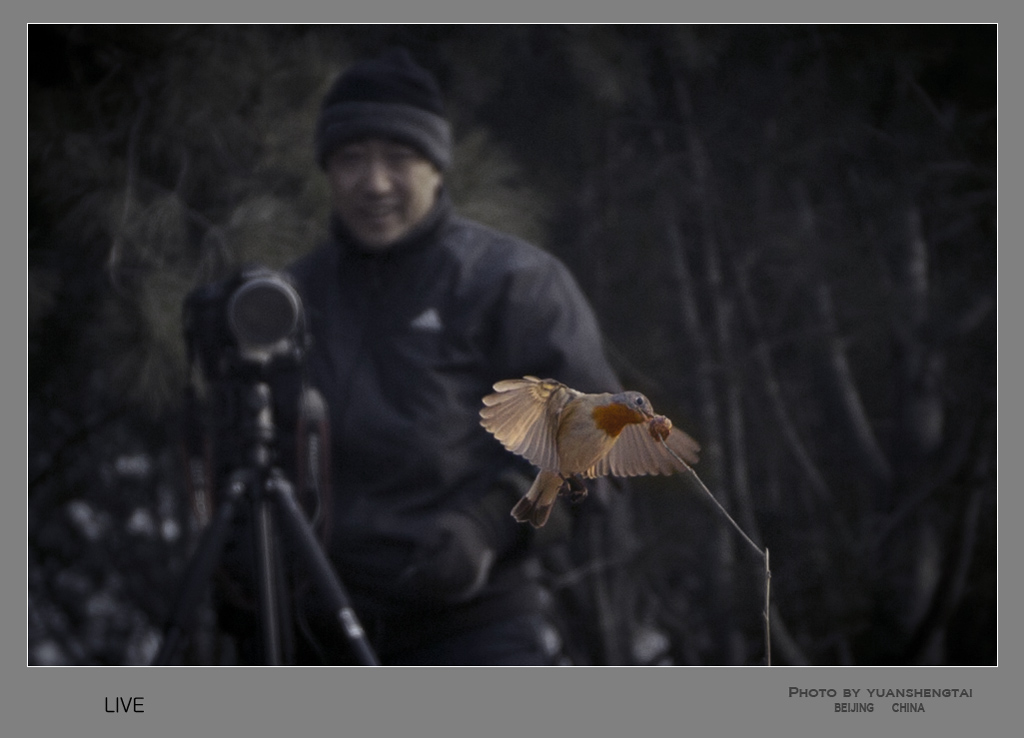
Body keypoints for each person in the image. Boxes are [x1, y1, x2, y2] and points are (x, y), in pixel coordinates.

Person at [218, 47, 624, 665]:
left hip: (471, 629)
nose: (374, 183)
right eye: (351, 159)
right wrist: (242, 558)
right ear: (327, 170)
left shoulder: (511, 283)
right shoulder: (288, 302)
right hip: (309, 635)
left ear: (437, 167)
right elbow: (240, 450)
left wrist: (489, 527)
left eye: (398, 158)